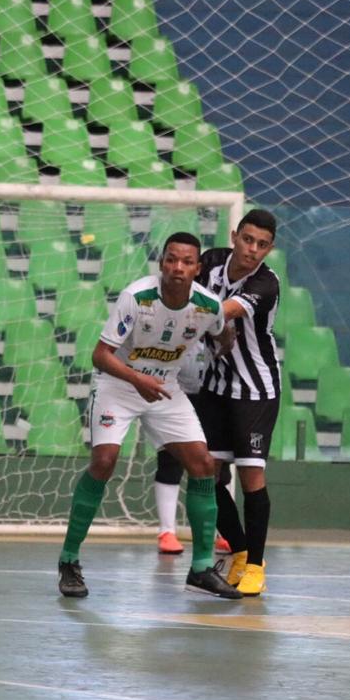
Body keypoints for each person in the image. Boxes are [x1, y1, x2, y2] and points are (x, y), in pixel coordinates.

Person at [57, 232, 241, 600]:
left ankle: (202, 568)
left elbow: (225, 333)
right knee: (104, 461)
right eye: (172, 259)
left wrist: (215, 352)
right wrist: (136, 378)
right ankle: (69, 560)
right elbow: (100, 355)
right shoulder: (136, 297)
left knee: (204, 465)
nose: (178, 267)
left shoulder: (207, 306)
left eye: (187, 262)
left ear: (197, 268)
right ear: (162, 264)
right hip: (118, 383)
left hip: (165, 388)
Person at [193, 209, 282, 596]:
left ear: (269, 248)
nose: (252, 250)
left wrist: (194, 317)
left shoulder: (266, 283)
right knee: (205, 470)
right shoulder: (210, 262)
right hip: (215, 386)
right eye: (247, 240)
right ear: (234, 236)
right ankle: (241, 552)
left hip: (255, 389)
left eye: (262, 245)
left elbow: (224, 311)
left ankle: (257, 566)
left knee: (251, 477)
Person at [152, 342, 232, 556]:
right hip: (176, 393)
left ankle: (222, 532)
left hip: (215, 395)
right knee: (170, 460)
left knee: (217, 466)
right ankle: (167, 532)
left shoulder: (218, 327)